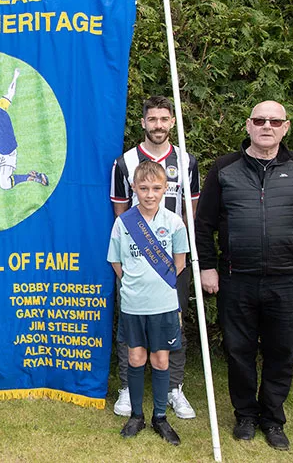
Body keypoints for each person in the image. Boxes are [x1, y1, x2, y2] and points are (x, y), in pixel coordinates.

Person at [195, 100, 293, 451]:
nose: (266, 126)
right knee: (238, 351)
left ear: (286, 127)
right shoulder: (224, 169)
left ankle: (272, 419)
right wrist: (207, 266)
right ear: (248, 125)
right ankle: (244, 415)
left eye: (274, 121)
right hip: (235, 279)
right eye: (259, 120)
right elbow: (204, 223)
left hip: (287, 281)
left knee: (280, 352)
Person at [109, 96, 199, 419]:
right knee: (129, 322)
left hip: (171, 260)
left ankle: (174, 387)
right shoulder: (125, 162)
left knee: (174, 321)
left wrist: (176, 252)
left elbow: (191, 211)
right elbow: (120, 211)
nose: (158, 125)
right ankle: (125, 388)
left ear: (172, 122)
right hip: (134, 260)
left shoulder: (187, 162)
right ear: (143, 122)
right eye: (153, 119)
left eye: (164, 119)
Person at [107, 160, 190, 446]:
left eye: (156, 188)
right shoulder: (124, 222)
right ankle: (137, 415)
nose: (150, 194)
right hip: (133, 304)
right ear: (134, 189)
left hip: (164, 305)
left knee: (160, 359)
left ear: (165, 189)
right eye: (143, 188)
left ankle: (160, 417)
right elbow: (117, 262)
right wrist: (134, 284)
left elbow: (179, 263)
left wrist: (157, 283)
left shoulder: (174, 222)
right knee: (135, 358)